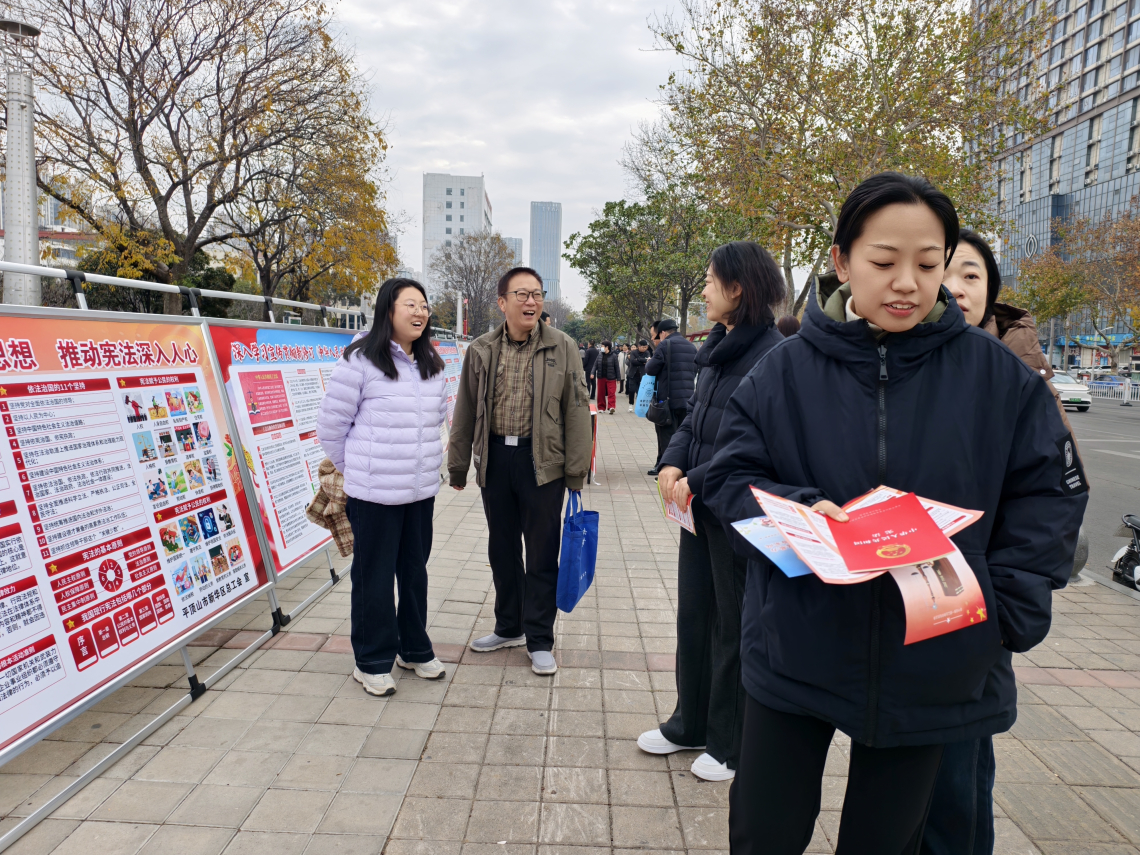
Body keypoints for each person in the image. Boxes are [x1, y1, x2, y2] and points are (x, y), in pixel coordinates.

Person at [703, 172, 1087, 854]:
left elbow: (1050, 496)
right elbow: (730, 478)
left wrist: (1007, 608)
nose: (907, 283)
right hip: (797, 641)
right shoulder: (782, 373)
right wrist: (800, 511)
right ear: (842, 260)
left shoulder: (999, 378)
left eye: (928, 264)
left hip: (935, 658)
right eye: (884, 262)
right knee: (763, 833)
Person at [925, 228, 1084, 855]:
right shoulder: (901, 365)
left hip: (975, 612)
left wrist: (1003, 608)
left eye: (971, 275)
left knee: (958, 790)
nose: (954, 288)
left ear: (991, 291)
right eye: (943, 272)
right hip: (900, 604)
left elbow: (1053, 503)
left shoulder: (1017, 378)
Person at [638, 241, 786, 782]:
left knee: (732, 625)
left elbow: (749, 445)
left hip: (737, 514)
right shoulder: (718, 349)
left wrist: (694, 479)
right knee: (694, 617)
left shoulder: (772, 355)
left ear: (737, 288)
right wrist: (671, 463)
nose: (703, 290)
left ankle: (729, 743)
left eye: (709, 279)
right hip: (698, 509)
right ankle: (690, 723)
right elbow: (695, 421)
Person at [447, 267, 592, 676]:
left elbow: (577, 409)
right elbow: (465, 409)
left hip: (542, 464)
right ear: (502, 302)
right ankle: (509, 626)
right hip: (495, 459)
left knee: (542, 552)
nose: (531, 302)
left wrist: (576, 471)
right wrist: (458, 465)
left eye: (537, 294)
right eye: (522, 294)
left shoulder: (563, 346)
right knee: (502, 548)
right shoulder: (481, 349)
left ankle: (540, 638)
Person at [317, 277, 450, 697]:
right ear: (387, 311)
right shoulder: (360, 360)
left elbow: (438, 424)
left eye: (423, 305)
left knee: (414, 574)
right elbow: (331, 427)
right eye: (410, 304)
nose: (419, 312)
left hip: (420, 493)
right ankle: (371, 660)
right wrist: (359, 471)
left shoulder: (431, 363)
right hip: (373, 496)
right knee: (373, 578)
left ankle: (413, 648)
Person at [645, 318, 697, 476]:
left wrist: (650, 361)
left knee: (666, 434)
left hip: (668, 400)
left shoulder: (664, 345)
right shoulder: (691, 346)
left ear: (662, 333)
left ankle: (665, 467)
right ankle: (681, 466)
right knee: (682, 435)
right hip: (688, 399)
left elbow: (650, 369)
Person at [596, 341, 620, 413]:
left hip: (611, 377)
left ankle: (611, 407)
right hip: (601, 377)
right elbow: (595, 365)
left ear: (607, 347)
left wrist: (618, 378)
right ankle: (601, 407)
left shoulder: (614, 356)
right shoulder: (599, 355)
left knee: (611, 392)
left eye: (602, 346)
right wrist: (592, 373)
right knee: (600, 393)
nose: (601, 347)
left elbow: (617, 367)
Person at [626, 340, 650, 412]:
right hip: (633, 374)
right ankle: (631, 404)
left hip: (642, 375)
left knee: (641, 391)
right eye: (643, 347)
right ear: (639, 346)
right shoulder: (633, 352)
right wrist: (643, 361)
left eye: (646, 347)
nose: (645, 348)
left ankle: (640, 406)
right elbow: (633, 361)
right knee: (631, 390)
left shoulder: (647, 352)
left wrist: (638, 359)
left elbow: (648, 361)